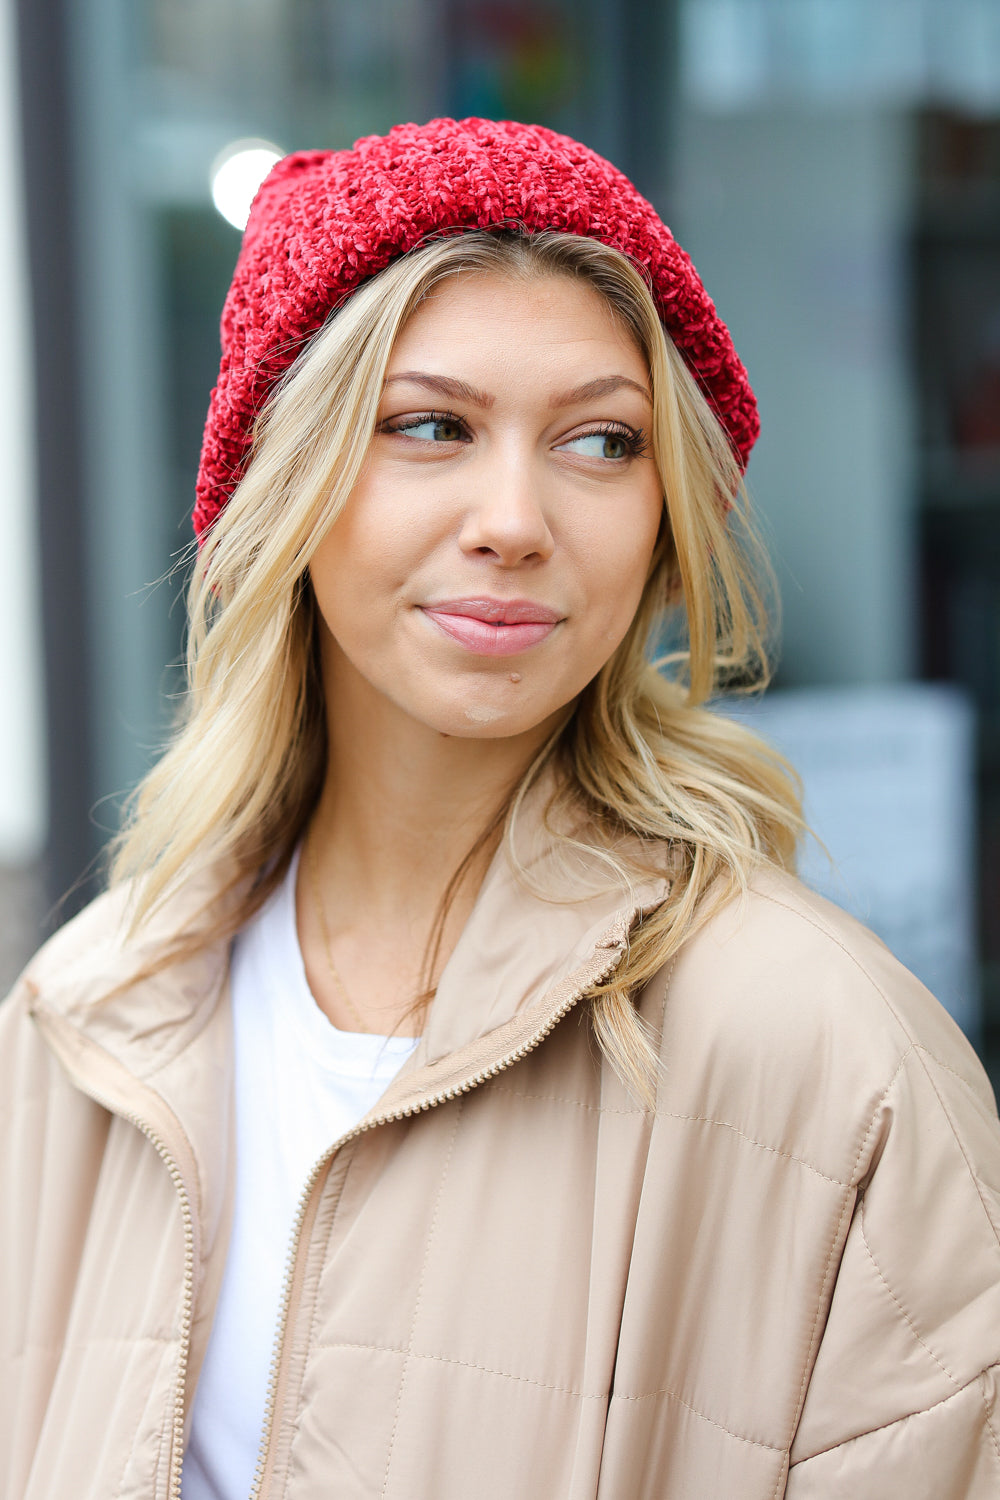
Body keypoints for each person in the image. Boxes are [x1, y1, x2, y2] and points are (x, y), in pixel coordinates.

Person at [2, 117, 999, 1500]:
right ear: (285, 480)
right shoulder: (94, 1015)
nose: (516, 517)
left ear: (666, 519)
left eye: (600, 441)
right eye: (430, 426)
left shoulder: (830, 1060)